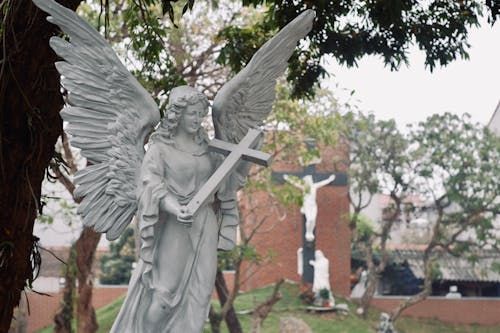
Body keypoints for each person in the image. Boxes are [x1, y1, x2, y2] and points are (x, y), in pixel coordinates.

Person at [110, 86, 240, 332]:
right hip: (176, 224)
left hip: (206, 223)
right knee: (163, 296)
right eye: (192, 113)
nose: (197, 119)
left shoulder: (210, 149)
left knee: (201, 294)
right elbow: (151, 185)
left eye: (200, 114)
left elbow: (224, 182)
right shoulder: (160, 150)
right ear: (177, 114)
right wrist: (174, 207)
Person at [284, 173, 335, 242]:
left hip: (313, 205)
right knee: (310, 219)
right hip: (307, 206)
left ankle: (311, 232)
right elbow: (295, 183)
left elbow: (322, 183)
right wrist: (288, 179)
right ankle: (308, 232)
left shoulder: (314, 186)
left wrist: (329, 179)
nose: (309, 181)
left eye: (310, 180)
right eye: (308, 180)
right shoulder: (304, 187)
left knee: (313, 219)